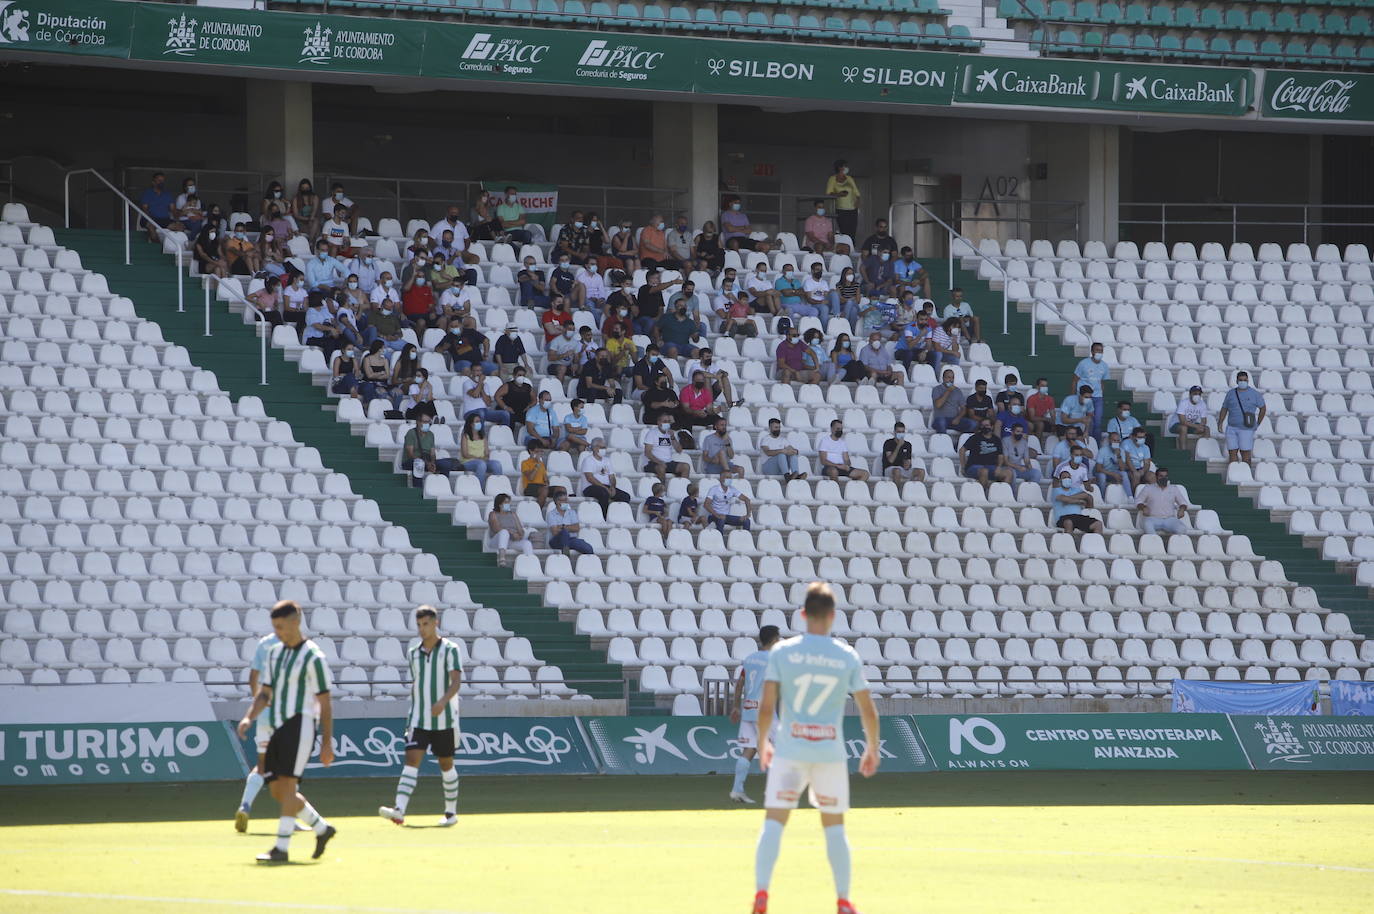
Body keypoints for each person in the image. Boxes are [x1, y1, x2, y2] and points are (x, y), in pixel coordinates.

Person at [752, 581, 879, 914]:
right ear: (833, 616)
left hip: (791, 750)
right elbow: (867, 708)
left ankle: (762, 894)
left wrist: (764, 741)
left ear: (803, 614)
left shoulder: (782, 652)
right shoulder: (846, 655)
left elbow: (767, 707)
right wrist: (872, 748)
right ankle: (843, 900)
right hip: (829, 754)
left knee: (774, 822)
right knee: (834, 827)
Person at [235, 600, 336, 863]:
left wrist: (326, 742)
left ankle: (281, 848)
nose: (277, 632)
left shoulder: (314, 657)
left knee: (288, 786)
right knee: (279, 791)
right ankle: (323, 829)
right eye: (275, 627)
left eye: (281, 626)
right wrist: (248, 718)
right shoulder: (275, 653)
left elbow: (325, 702)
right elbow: (265, 693)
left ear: (295, 622)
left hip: (300, 725)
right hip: (276, 726)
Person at [377, 606, 462, 827]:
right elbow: (418, 683)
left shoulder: (451, 649)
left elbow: (456, 682)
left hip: (444, 719)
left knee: (446, 764)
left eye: (426, 624)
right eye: (419, 625)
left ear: (436, 623)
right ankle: (399, 810)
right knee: (412, 759)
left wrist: (442, 702)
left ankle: (451, 814)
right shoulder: (413, 653)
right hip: (418, 719)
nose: (422, 629)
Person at [234, 628, 288, 833]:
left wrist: (259, 701)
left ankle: (245, 805)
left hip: (266, 713)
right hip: (288, 715)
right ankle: (289, 817)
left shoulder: (264, 643)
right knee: (290, 770)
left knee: (261, 764)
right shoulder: (296, 643)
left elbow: (253, 676)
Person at [727, 624, 780, 804]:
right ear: (774, 639)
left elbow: (740, 683)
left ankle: (737, 790)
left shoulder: (749, 659)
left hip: (748, 709)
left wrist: (735, 706)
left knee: (749, 750)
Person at [1217, 371, 1266, 466]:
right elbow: (1224, 408)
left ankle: (1246, 475)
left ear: (1248, 380)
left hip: (1246, 428)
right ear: (1236, 381)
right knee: (1232, 452)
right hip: (1231, 427)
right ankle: (1233, 474)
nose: (1243, 382)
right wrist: (1220, 422)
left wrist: (1258, 423)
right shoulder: (1231, 393)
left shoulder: (1254, 394)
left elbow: (1263, 408)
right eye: (1240, 380)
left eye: (1245, 380)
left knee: (1245, 453)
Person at [404, 415, 460, 487]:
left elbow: (432, 453)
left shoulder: (431, 434)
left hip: (427, 461)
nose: (427, 424)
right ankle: (418, 489)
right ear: (418, 422)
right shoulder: (411, 433)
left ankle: (441, 487)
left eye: (428, 422)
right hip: (412, 461)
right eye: (425, 422)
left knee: (446, 464)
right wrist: (427, 464)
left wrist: (432, 463)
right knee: (419, 463)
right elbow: (410, 454)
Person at [579, 437, 632, 513]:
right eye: (602, 447)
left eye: (605, 447)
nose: (604, 449)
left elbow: (612, 477)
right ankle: (604, 516)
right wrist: (605, 488)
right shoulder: (588, 460)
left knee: (625, 497)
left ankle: (616, 515)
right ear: (594, 448)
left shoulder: (607, 460)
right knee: (604, 493)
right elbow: (590, 478)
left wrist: (612, 487)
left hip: (605, 487)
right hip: (589, 487)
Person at [1072, 342, 1111, 437]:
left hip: (1098, 398)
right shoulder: (1083, 363)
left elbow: (1102, 382)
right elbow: (1074, 380)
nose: (1099, 352)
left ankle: (1096, 446)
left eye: (1101, 351)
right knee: (1088, 422)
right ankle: (1087, 443)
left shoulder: (1104, 366)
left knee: (1097, 422)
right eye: (1097, 350)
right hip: (1085, 397)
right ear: (1092, 351)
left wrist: (1101, 394)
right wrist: (1073, 397)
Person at [1135, 467, 1189, 535]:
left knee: (1182, 529)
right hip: (1153, 518)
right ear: (1156, 477)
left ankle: (1171, 544)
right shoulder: (1148, 488)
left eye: (1165, 476)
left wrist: (1182, 509)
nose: (1164, 478)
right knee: (1147, 525)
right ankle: (1156, 543)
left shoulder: (1173, 488)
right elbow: (1138, 501)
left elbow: (1183, 502)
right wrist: (1143, 507)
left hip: (1169, 519)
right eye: (1161, 476)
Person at [486, 494, 535, 566]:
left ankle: (529, 564)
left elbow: (521, 530)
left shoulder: (513, 514)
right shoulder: (493, 514)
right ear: (499, 504)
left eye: (509, 502)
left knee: (527, 543)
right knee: (504, 532)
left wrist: (520, 536)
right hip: (497, 541)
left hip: (511, 541)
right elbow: (496, 529)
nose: (508, 504)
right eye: (506, 502)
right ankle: (502, 559)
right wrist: (511, 533)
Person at [960, 420, 1013, 485]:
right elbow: (962, 450)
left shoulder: (996, 439)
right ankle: (984, 493)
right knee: (984, 471)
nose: (985, 427)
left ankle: (999, 493)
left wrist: (999, 467)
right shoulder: (975, 438)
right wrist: (963, 466)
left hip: (992, 467)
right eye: (983, 425)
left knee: (1008, 473)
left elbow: (1000, 456)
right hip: (974, 467)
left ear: (992, 427)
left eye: (987, 425)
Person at [1051, 469, 1103, 535]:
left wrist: (1069, 499)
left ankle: (1096, 544)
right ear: (1060, 480)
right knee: (1069, 522)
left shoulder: (1076, 489)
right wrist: (1078, 501)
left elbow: (1087, 496)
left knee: (1098, 524)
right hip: (1063, 518)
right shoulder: (1056, 490)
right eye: (1064, 477)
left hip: (1078, 517)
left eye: (1069, 477)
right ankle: (1070, 544)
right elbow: (1062, 498)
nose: (1067, 479)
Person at [642, 415, 690, 481]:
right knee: (661, 468)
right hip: (653, 463)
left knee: (685, 466)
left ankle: (683, 488)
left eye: (668, 421)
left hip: (668, 462)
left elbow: (679, 450)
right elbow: (647, 453)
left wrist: (673, 437)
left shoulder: (670, 433)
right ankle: (662, 490)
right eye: (664, 421)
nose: (667, 423)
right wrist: (660, 462)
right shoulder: (652, 433)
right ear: (658, 422)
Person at [458, 414, 501, 489]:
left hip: (482, 461)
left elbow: (487, 453)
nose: (479, 423)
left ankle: (497, 489)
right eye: (477, 421)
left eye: (480, 421)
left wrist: (485, 457)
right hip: (468, 462)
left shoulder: (483, 436)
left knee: (497, 464)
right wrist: (479, 459)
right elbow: (465, 454)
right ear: (471, 424)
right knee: (481, 464)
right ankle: (480, 489)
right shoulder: (465, 436)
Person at [546, 490, 593, 554]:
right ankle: (566, 557)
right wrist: (568, 528)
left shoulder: (572, 512)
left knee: (588, 548)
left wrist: (562, 526)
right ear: (556, 501)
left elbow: (576, 528)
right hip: (556, 541)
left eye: (565, 500)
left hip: (571, 540)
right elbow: (554, 532)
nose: (564, 502)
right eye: (562, 500)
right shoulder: (551, 514)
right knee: (564, 532)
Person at [825, 161, 861, 241]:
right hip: (840, 208)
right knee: (843, 230)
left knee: (852, 231)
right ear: (839, 168)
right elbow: (828, 193)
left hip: (852, 209)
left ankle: (851, 247)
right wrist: (838, 194)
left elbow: (856, 192)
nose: (846, 168)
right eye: (844, 166)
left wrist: (858, 201)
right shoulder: (832, 179)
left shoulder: (849, 178)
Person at [760, 416, 804, 481]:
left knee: (793, 455)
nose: (778, 429)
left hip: (780, 468)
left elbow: (793, 450)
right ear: (770, 428)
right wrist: (782, 451)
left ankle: (796, 475)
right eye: (776, 427)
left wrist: (794, 451)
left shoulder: (783, 439)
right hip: (768, 469)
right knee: (781, 454)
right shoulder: (765, 439)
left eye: (779, 427)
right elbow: (768, 452)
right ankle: (787, 477)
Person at [1171, 385, 1211, 450]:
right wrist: (1196, 426)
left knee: (1206, 429)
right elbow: (1182, 421)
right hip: (1176, 425)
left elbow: (1204, 420)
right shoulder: (1184, 403)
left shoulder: (1202, 404)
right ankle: (1183, 452)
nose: (1197, 396)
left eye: (1199, 394)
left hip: (1191, 425)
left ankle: (1204, 451)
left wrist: (1201, 426)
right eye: (1195, 394)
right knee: (1184, 428)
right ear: (1190, 394)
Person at [930, 369, 970, 434]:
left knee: (972, 424)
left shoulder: (957, 390)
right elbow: (938, 405)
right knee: (941, 423)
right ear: (943, 378)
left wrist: (958, 418)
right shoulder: (936, 389)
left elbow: (964, 408)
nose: (951, 380)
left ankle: (959, 442)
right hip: (940, 419)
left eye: (952, 377)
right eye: (948, 377)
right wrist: (948, 391)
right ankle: (945, 442)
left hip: (954, 420)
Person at [138, 172, 175, 242]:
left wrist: (179, 218)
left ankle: (173, 248)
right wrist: (150, 219)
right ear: (153, 182)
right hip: (151, 219)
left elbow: (173, 209)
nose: (161, 182)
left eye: (163, 181)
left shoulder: (167, 194)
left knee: (180, 227)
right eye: (159, 180)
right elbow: (144, 208)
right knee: (151, 227)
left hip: (164, 220)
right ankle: (157, 248)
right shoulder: (147, 193)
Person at [1096, 431, 1129, 496]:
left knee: (1124, 474)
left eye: (1117, 441)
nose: (1116, 443)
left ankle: (1129, 497)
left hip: (1115, 472)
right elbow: (1098, 468)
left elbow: (1122, 469)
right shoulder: (1103, 450)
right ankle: (1102, 497)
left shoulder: (1121, 451)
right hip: (1104, 472)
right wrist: (1113, 474)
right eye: (1114, 440)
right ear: (1109, 440)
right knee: (1102, 476)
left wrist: (1118, 456)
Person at [521, 444, 550, 508]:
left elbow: (546, 479)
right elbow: (531, 478)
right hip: (529, 487)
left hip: (542, 486)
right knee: (544, 490)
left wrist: (547, 483)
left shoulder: (541, 464)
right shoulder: (525, 463)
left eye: (540, 452)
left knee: (561, 489)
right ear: (531, 451)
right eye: (537, 452)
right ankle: (537, 511)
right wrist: (537, 465)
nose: (539, 454)